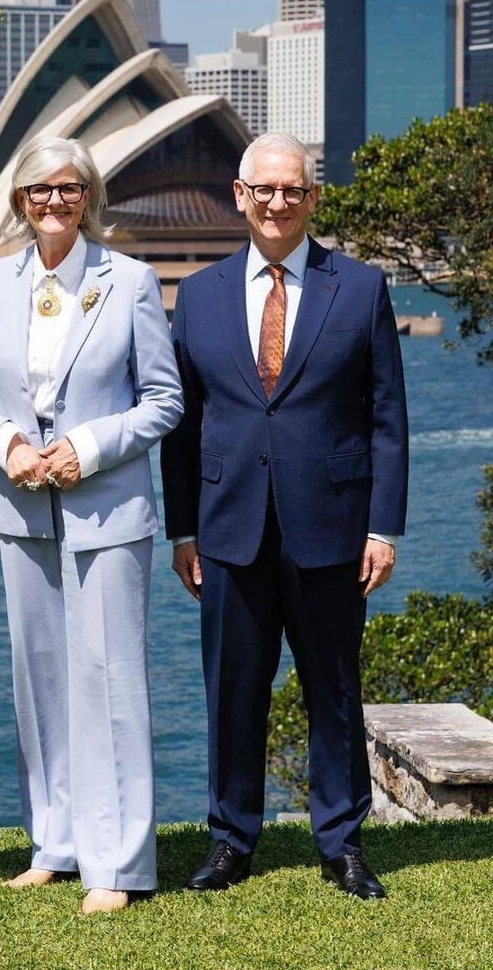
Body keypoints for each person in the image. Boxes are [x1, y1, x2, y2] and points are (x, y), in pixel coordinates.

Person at [161, 132, 408, 900]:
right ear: (239, 196)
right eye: (262, 190)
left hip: (331, 527)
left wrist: (382, 527)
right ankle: (232, 840)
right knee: (233, 689)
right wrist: (182, 528)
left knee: (333, 689)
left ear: (312, 198)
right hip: (228, 529)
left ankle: (341, 843)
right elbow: (182, 423)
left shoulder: (361, 288)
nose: (276, 203)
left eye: (291, 191)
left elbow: (387, 418)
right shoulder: (199, 295)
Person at [0, 135, 184, 915]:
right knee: (40, 679)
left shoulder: (131, 282)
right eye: (39, 191)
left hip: (108, 509)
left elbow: (163, 400)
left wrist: (85, 448)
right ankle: (55, 842)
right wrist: (7, 445)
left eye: (69, 188)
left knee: (111, 680)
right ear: (19, 202)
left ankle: (118, 863)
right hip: (21, 509)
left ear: (90, 196)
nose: (54, 201)